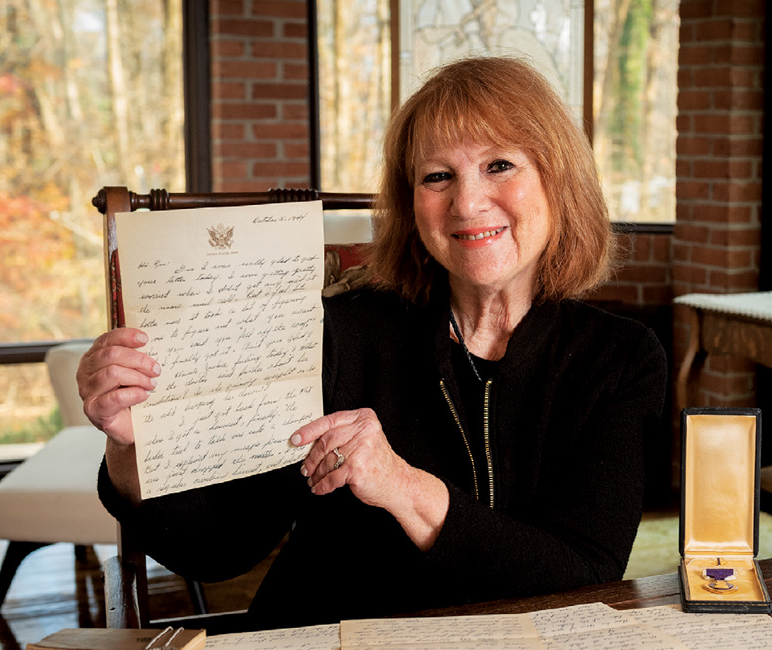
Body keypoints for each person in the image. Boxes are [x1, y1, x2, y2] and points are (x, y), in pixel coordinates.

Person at [78, 56, 667, 630]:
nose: (467, 203)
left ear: (559, 180)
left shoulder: (619, 359)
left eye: (500, 165)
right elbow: (220, 550)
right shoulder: (341, 333)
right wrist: (134, 446)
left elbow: (585, 577)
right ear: (413, 207)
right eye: (437, 176)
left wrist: (401, 486)